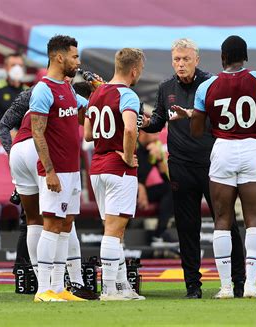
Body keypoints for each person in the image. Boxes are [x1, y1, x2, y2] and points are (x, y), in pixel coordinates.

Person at [172, 35, 256, 298]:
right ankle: (250, 284)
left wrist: (202, 118)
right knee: (253, 220)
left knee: (222, 220)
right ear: (245, 57)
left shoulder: (208, 86)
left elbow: (195, 131)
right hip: (251, 148)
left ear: (222, 57)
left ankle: (226, 286)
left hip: (223, 150)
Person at [141, 38, 246, 299]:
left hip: (214, 164)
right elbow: (157, 122)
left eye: (186, 59)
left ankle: (240, 282)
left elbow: (223, 118)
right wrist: (141, 122)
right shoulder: (166, 87)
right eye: (177, 59)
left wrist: (191, 114)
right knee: (187, 228)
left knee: (227, 223)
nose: (181, 64)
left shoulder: (212, 84)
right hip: (180, 166)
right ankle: (192, 286)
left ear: (197, 60)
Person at [0, 81, 98, 300]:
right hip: (39, 150)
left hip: (18, 150)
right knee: (61, 220)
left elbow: (3, 126)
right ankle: (63, 284)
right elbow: (92, 111)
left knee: (33, 219)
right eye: (74, 57)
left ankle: (43, 280)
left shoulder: (41, 93)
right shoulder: (69, 95)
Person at [84, 47, 146, 301]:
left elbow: (87, 134)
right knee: (113, 230)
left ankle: (122, 287)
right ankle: (109, 289)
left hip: (97, 167)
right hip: (118, 169)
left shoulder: (97, 93)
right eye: (140, 70)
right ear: (134, 70)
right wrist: (127, 154)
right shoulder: (128, 95)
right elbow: (131, 130)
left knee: (114, 230)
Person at [30, 35, 87, 302]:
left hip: (72, 170)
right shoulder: (43, 90)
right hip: (55, 171)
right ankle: (43, 290)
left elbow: (89, 111)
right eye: (74, 56)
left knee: (65, 225)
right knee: (51, 224)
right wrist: (49, 171)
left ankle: (58, 287)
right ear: (59, 57)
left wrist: (102, 92)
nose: (78, 61)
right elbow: (37, 132)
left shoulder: (67, 88)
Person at [136, 130, 175, 247]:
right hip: (127, 189)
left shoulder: (150, 149)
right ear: (143, 133)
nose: (157, 137)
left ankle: (160, 234)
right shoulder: (134, 146)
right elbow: (134, 173)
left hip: (142, 191)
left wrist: (159, 159)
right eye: (154, 133)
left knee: (171, 189)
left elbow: (165, 179)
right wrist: (140, 186)